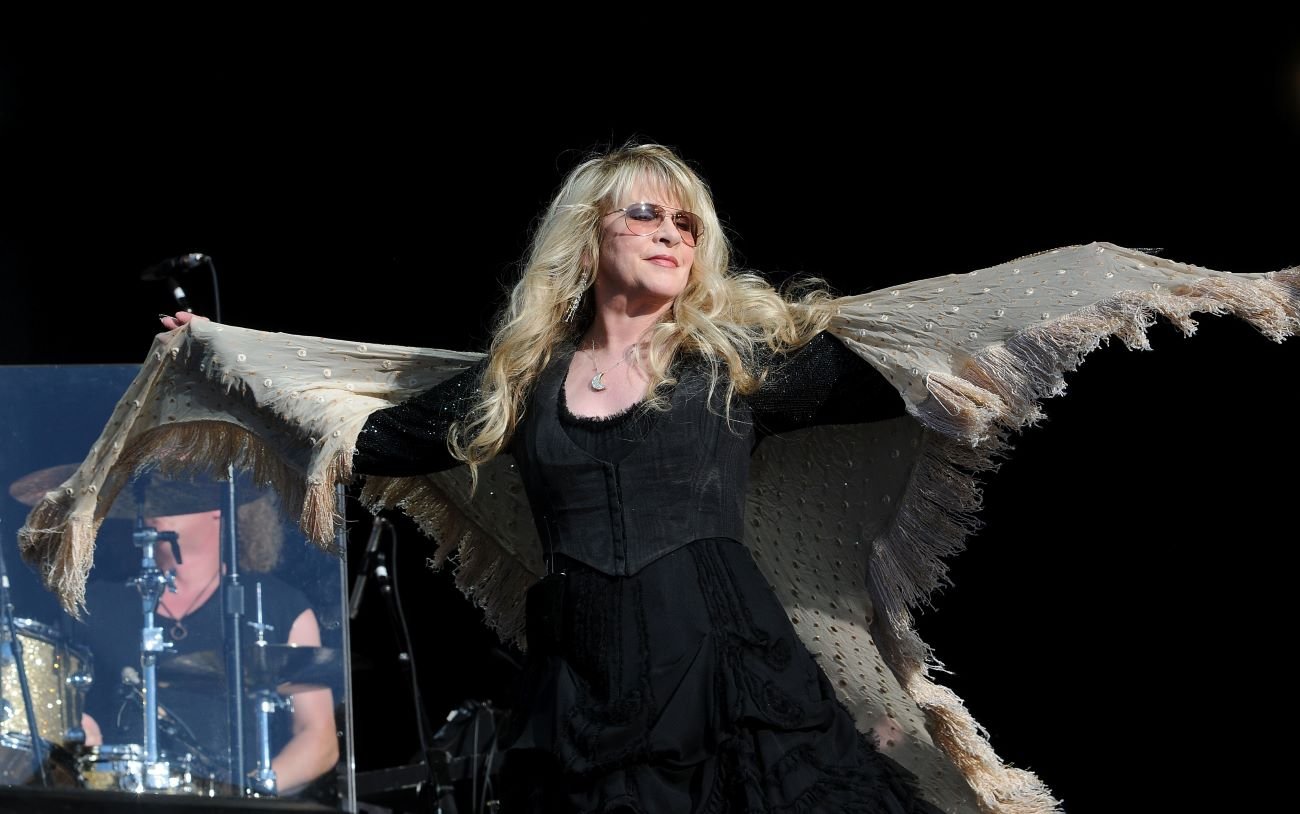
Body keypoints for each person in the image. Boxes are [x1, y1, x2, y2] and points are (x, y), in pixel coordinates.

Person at [26, 141, 1297, 814]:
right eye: (647, 215)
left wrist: (1099, 278)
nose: (673, 236)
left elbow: (918, 352)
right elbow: (367, 432)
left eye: (688, 221)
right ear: (592, 237)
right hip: (580, 672)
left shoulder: (740, 366)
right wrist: (216, 363)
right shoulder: (511, 386)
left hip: (721, 657)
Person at [75, 473, 339, 799]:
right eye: (152, 488)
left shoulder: (277, 606)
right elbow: (55, 703)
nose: (156, 497)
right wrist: (73, 731)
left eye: (174, 487)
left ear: (219, 505)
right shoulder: (94, 605)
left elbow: (318, 737)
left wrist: (245, 794)